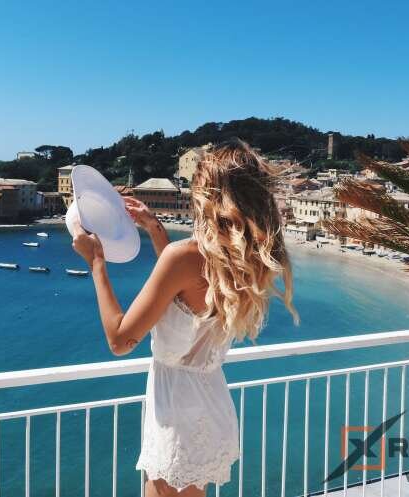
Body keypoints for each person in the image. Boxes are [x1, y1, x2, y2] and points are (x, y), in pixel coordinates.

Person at [71, 138, 298, 497]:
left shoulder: (184, 257)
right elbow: (183, 291)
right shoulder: (239, 261)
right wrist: (154, 228)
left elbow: (120, 340)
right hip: (208, 403)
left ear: (209, 195)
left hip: (177, 414)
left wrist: (96, 262)